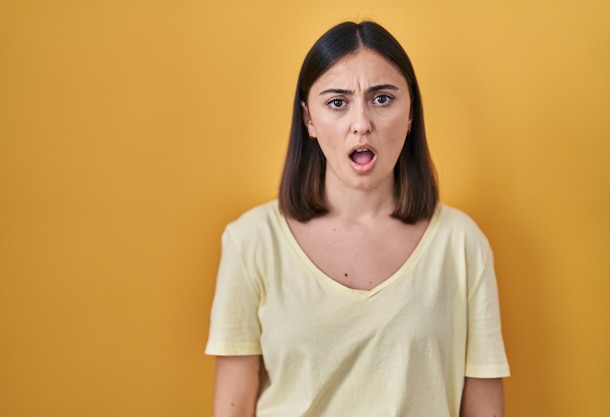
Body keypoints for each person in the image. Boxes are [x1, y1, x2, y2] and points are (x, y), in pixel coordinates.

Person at [205, 20, 510, 417]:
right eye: (337, 102)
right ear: (308, 119)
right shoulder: (250, 242)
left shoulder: (462, 244)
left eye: (382, 99)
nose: (361, 123)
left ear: (411, 112)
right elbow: (233, 408)